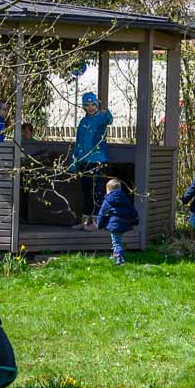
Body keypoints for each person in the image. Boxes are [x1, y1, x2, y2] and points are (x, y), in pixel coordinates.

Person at [68, 93, 113, 229]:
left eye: (93, 104)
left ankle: (97, 222)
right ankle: (85, 221)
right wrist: (74, 160)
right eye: (87, 105)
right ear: (84, 106)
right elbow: (78, 143)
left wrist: (106, 111)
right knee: (86, 191)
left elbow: (109, 120)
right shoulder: (83, 122)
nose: (90, 107)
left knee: (97, 191)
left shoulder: (101, 118)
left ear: (97, 105)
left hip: (98, 159)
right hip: (84, 160)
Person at [96, 176, 139, 265]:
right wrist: (135, 221)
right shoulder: (126, 199)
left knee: (116, 242)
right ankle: (115, 254)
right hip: (126, 224)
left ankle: (119, 258)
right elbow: (133, 211)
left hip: (115, 225)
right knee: (117, 240)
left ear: (108, 190)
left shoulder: (107, 200)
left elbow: (102, 214)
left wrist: (99, 225)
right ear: (119, 189)